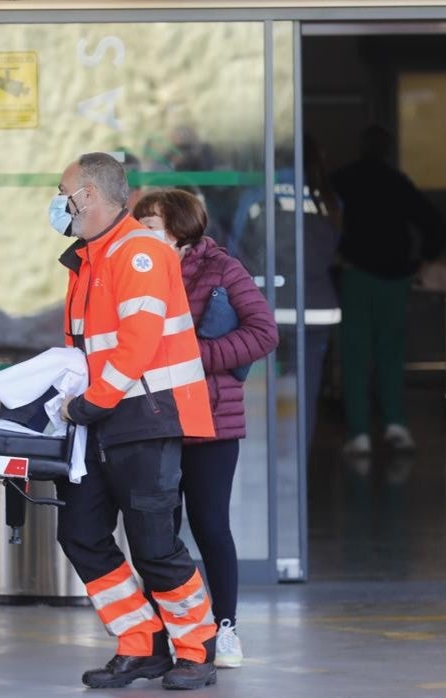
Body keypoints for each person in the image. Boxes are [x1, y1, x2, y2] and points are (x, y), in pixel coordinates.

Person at [51, 153, 220, 690]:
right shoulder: (89, 258)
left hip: (144, 416)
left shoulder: (139, 251)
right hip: (102, 418)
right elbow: (83, 349)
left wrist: (92, 403)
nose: (58, 204)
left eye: (63, 193)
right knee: (81, 533)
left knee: (154, 544)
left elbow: (137, 343)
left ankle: (196, 649)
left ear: (89, 196)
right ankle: (141, 642)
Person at [133, 189, 278, 669]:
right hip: (152, 419)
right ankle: (169, 632)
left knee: (211, 526)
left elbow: (264, 333)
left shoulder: (222, 269)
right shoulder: (137, 272)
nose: (139, 235)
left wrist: (195, 357)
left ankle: (225, 627)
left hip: (212, 421)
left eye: (149, 226)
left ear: (178, 231)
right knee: (158, 532)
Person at [332, 125, 446, 455]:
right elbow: (434, 224)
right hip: (394, 278)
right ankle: (395, 423)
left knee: (354, 355)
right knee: (391, 353)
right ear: (388, 151)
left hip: (355, 274)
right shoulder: (397, 182)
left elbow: (322, 223)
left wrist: (334, 257)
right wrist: (422, 261)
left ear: (361, 147)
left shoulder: (342, 181)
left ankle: (358, 432)